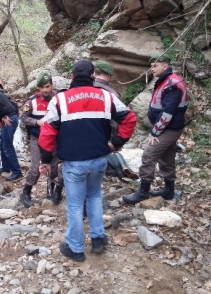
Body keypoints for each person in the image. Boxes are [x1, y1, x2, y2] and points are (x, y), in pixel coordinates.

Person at [39, 60, 137, 261]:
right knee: (94, 197)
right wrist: (116, 143)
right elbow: (129, 118)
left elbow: (47, 133)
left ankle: (75, 248)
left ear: (72, 77)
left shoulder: (60, 100)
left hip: (74, 163)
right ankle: (98, 238)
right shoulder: (106, 96)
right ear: (93, 76)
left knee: (75, 205)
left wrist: (45, 160)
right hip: (99, 159)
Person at [123, 55, 189, 205]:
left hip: (170, 128)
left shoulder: (172, 84)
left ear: (165, 66)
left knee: (149, 154)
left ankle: (143, 192)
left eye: (155, 66)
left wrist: (155, 132)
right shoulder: (167, 80)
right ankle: (168, 191)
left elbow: (168, 112)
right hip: (169, 127)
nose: (152, 69)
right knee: (166, 157)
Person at [20, 71, 63, 208]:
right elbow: (23, 117)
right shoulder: (32, 101)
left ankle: (51, 190)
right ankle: (26, 191)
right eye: (42, 87)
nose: (45, 90)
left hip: (55, 138)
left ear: (52, 85)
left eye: (48, 86)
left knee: (54, 166)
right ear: (38, 88)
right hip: (36, 138)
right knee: (35, 168)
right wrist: (36, 122)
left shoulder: (59, 99)